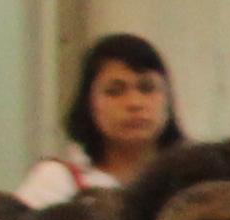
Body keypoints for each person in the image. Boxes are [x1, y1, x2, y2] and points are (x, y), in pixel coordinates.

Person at [25, 34, 177, 206]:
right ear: (88, 102)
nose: (134, 103)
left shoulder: (193, 180)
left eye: (147, 88)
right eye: (115, 91)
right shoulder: (57, 182)